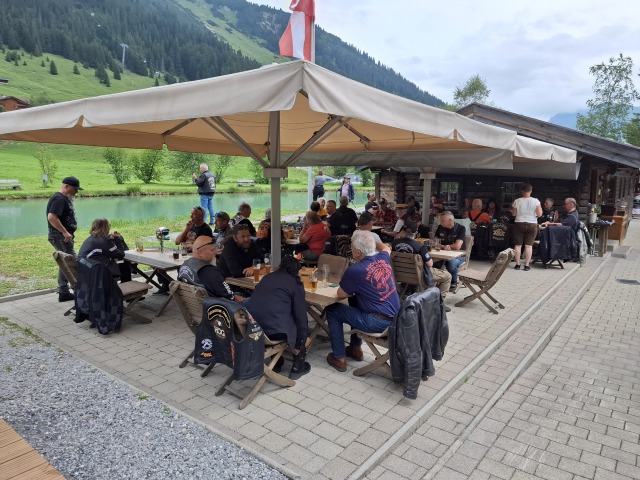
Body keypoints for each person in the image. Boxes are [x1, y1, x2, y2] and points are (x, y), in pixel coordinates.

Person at [325, 231, 401, 372]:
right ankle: (355, 348)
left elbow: (340, 294)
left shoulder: (355, 270)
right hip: (397, 318)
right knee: (354, 299)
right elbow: (386, 248)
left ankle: (339, 358)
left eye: (352, 247)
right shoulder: (383, 258)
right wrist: (370, 242)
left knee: (333, 310)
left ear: (358, 252)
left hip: (378, 322)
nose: (351, 249)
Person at [245, 255, 310, 379]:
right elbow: (301, 316)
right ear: (297, 271)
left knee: (274, 314)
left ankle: (277, 362)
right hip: (274, 332)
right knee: (298, 324)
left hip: (254, 327)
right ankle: (297, 367)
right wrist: (301, 341)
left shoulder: (267, 277)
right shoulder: (295, 283)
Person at [391, 223, 452, 311]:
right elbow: (430, 264)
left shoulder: (394, 243)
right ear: (416, 232)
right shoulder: (419, 246)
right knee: (447, 276)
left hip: (401, 275)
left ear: (403, 231)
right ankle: (439, 303)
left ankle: (410, 293)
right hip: (419, 275)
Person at [47, 176, 83, 302]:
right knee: (71, 261)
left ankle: (63, 292)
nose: (76, 192)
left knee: (64, 262)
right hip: (60, 236)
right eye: (75, 189)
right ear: (66, 186)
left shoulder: (64, 198)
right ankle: (78, 291)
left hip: (63, 236)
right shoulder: (59, 198)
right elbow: (51, 217)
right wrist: (65, 232)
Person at [178, 236, 244, 302]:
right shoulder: (211, 272)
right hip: (216, 306)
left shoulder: (184, 266)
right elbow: (230, 298)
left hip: (193, 304)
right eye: (212, 250)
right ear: (200, 252)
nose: (216, 252)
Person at [77, 218, 132, 282]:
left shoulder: (92, 237)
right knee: (124, 267)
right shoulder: (104, 240)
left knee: (119, 264)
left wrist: (109, 238)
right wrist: (118, 238)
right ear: (105, 227)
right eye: (109, 225)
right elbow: (120, 254)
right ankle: (127, 286)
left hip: (84, 266)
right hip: (93, 271)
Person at [511, 183, 542, 271]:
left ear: (522, 191)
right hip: (532, 224)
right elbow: (539, 214)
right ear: (531, 191)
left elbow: (514, 214)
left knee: (518, 245)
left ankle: (517, 264)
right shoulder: (536, 201)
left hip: (519, 223)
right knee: (528, 246)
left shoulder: (517, 201)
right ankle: (527, 265)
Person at [434, 211, 466, 293]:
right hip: (443, 253)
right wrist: (443, 246)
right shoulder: (440, 227)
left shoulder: (460, 228)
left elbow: (457, 246)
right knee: (434, 262)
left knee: (451, 263)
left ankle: (454, 282)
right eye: (440, 220)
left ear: (450, 220)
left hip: (459, 255)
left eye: (442, 221)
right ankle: (438, 280)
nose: (440, 223)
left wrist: (447, 246)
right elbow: (435, 242)